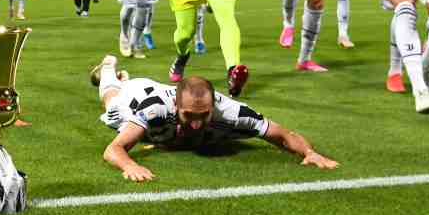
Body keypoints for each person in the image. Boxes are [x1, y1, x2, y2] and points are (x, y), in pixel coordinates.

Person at [90, 55, 338, 182]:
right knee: (111, 99)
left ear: (213, 106)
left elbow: (283, 135)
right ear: (177, 105)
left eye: (204, 115)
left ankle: (119, 75)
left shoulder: (230, 110)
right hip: (136, 94)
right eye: (189, 115)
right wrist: (130, 166)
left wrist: (309, 152)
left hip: (167, 101)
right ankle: (110, 69)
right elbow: (113, 149)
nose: (197, 123)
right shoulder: (153, 108)